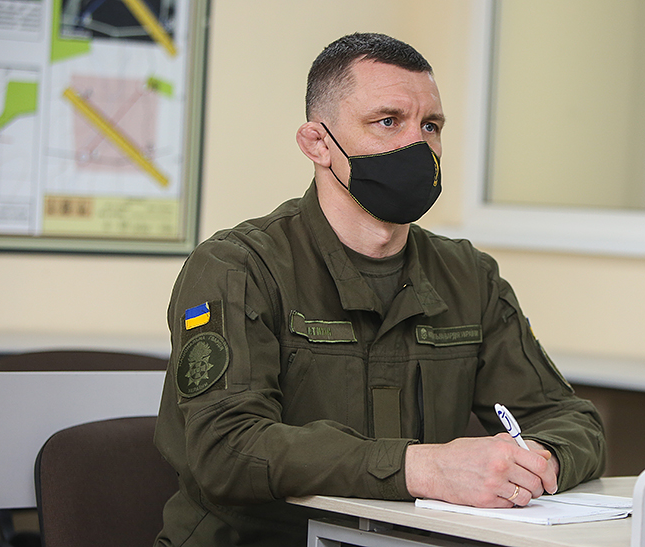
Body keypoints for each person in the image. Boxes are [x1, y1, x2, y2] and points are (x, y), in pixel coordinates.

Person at [154, 32, 606, 546]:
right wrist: (424, 468)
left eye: (430, 126)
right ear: (318, 143)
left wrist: (536, 461)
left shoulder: (468, 275)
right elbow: (227, 450)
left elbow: (571, 420)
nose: (417, 145)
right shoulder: (238, 266)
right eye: (387, 121)